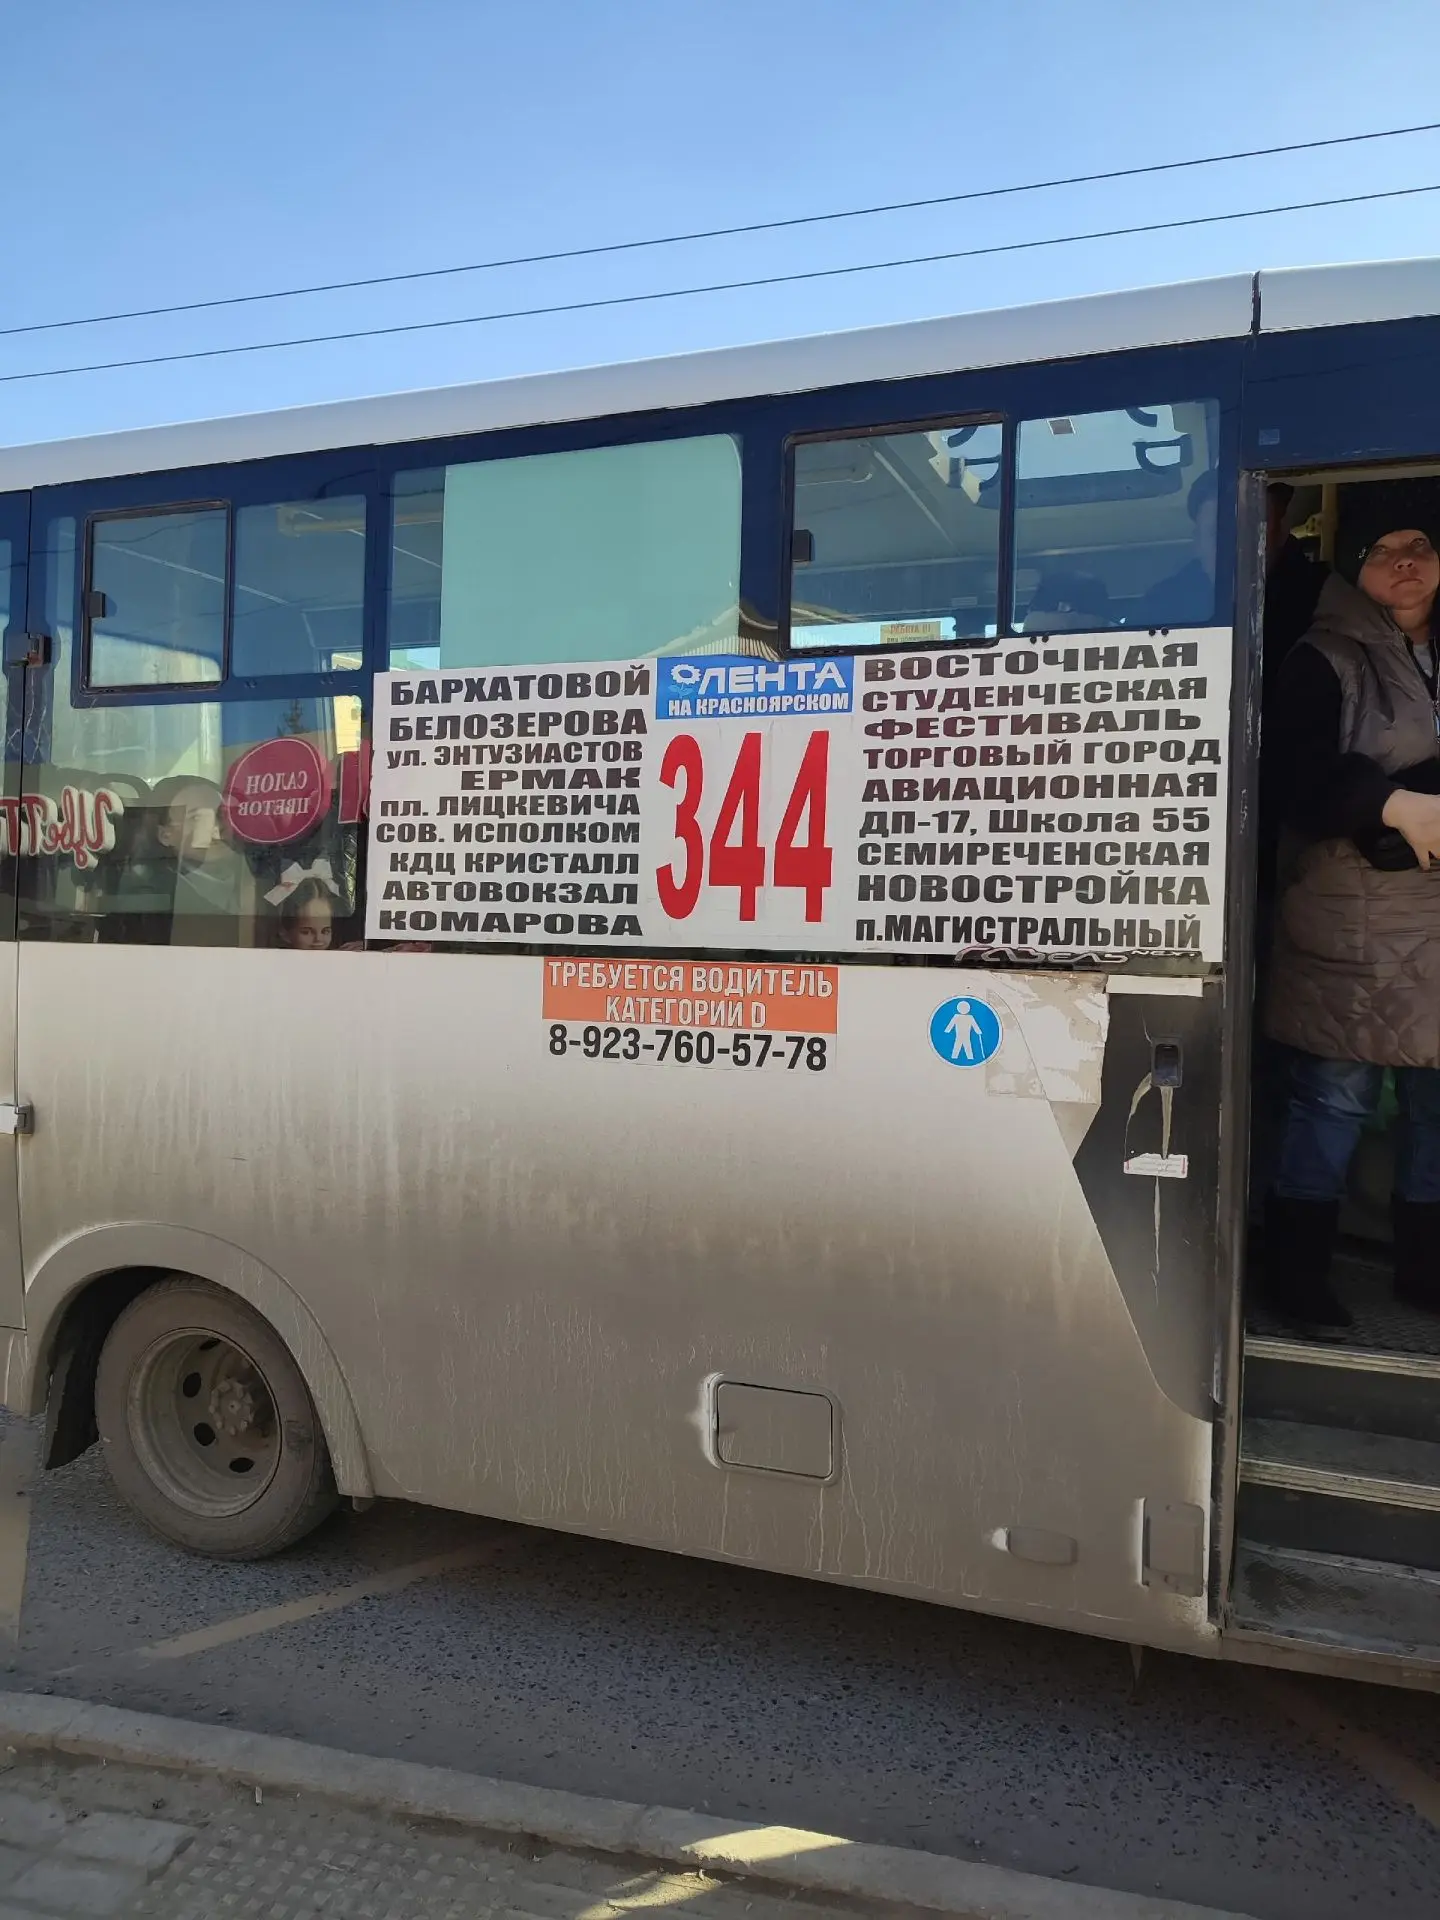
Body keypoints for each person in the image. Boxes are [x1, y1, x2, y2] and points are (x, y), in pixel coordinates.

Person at [1263, 509, 1440, 1331]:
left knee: (1436, 1103)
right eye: (1384, 549)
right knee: (1334, 1098)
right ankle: (1295, 1274)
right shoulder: (1322, 655)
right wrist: (1391, 804)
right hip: (1354, 917)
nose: (1406, 561)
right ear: (1353, 566)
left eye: (1421, 545)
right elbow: (1287, 777)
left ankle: (1426, 1270)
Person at [1138, 469, 1218, 627]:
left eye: (1241, 532)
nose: (1234, 547)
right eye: (1216, 533)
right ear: (1198, 545)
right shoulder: (1161, 608)